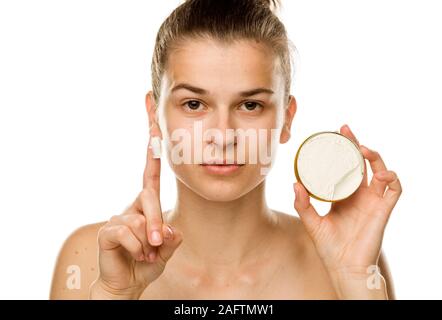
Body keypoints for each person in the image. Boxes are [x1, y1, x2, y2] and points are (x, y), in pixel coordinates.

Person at [50, 0, 401, 299]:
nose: (222, 136)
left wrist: (355, 281)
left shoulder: (346, 257)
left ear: (286, 118)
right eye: (193, 104)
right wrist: (113, 295)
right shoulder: (91, 260)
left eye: (250, 106)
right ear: (153, 117)